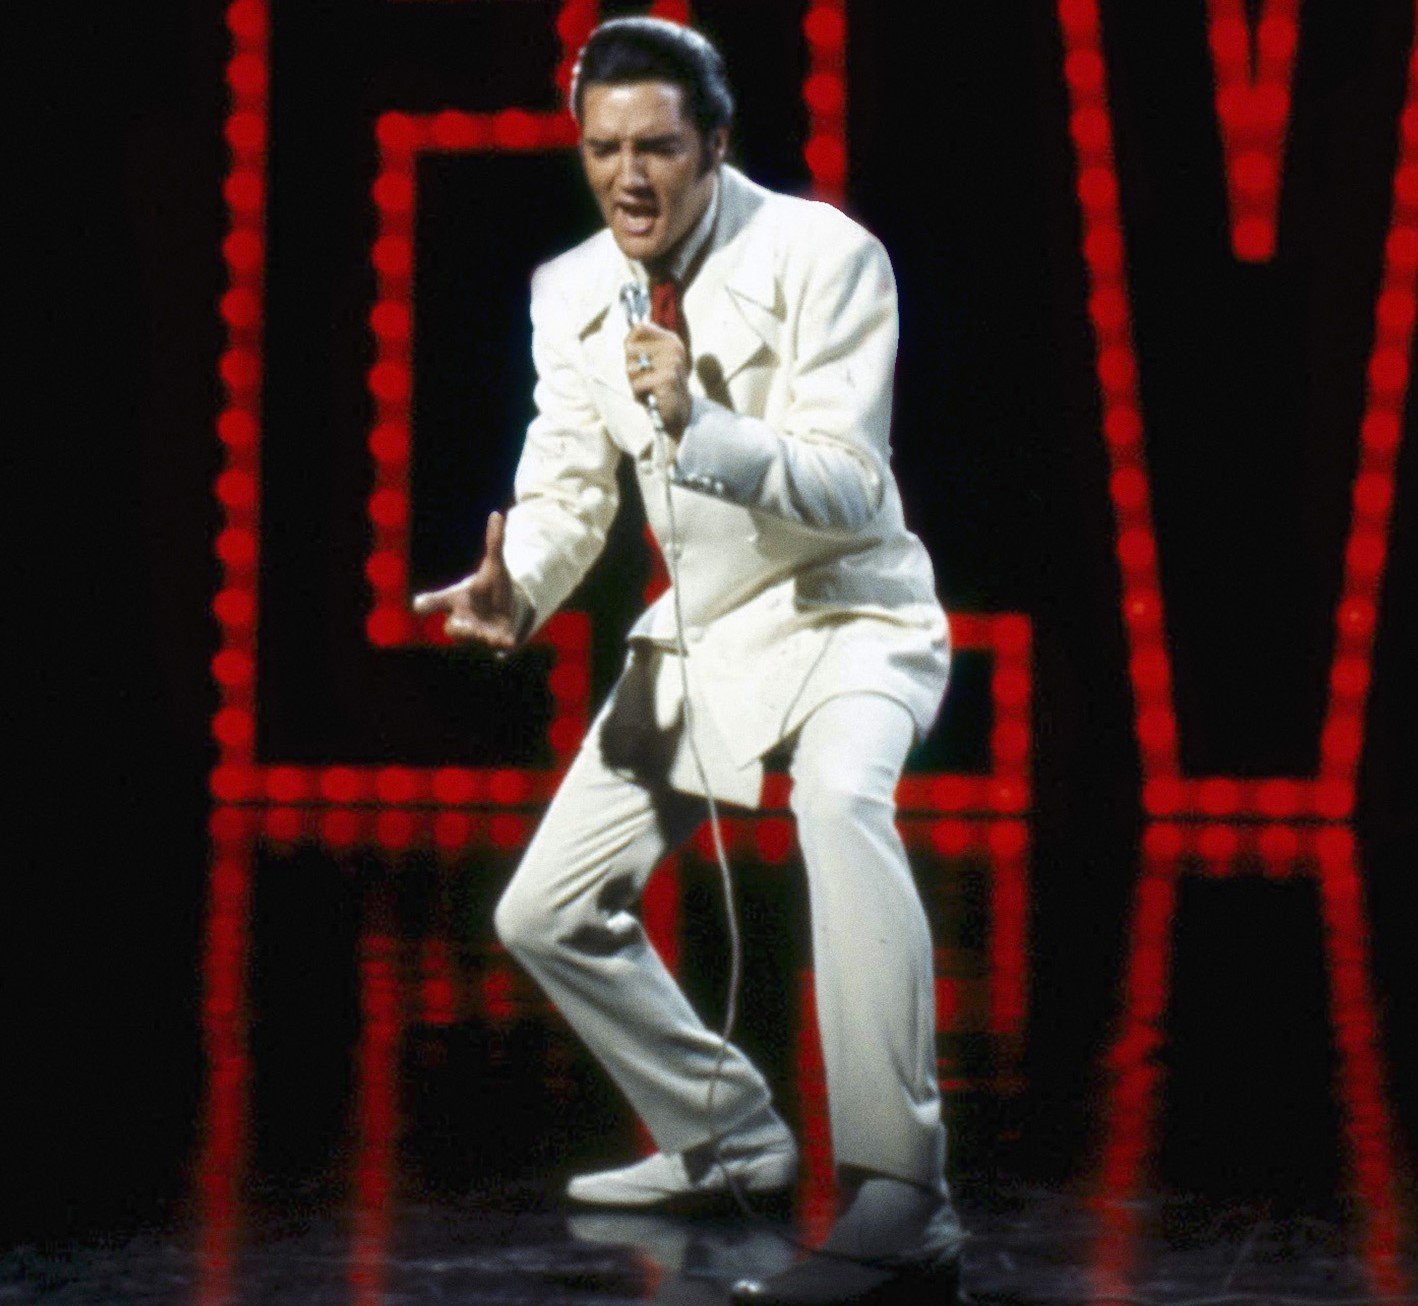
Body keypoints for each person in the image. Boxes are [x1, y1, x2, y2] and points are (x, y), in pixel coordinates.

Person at [414, 17, 966, 1304]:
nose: (627, 177)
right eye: (602, 148)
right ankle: (727, 1132)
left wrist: (701, 421)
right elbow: (563, 490)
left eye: (656, 146)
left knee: (839, 802)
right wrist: (523, 580)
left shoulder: (825, 254)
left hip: (848, 614)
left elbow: (849, 486)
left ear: (713, 142)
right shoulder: (571, 290)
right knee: (541, 910)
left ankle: (901, 1195)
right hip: (708, 635)